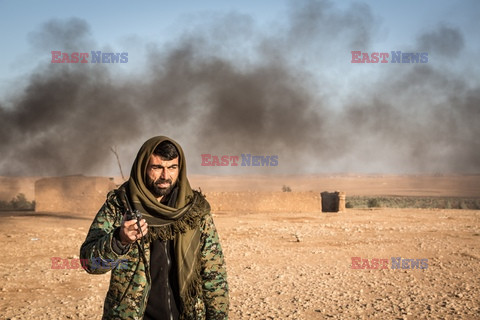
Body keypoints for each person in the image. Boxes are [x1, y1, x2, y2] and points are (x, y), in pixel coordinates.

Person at [80, 136, 229, 319]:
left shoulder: (194, 210)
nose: (165, 176)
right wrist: (119, 240)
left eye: (172, 168)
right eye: (157, 168)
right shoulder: (119, 206)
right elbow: (90, 263)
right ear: (144, 167)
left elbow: (214, 273)